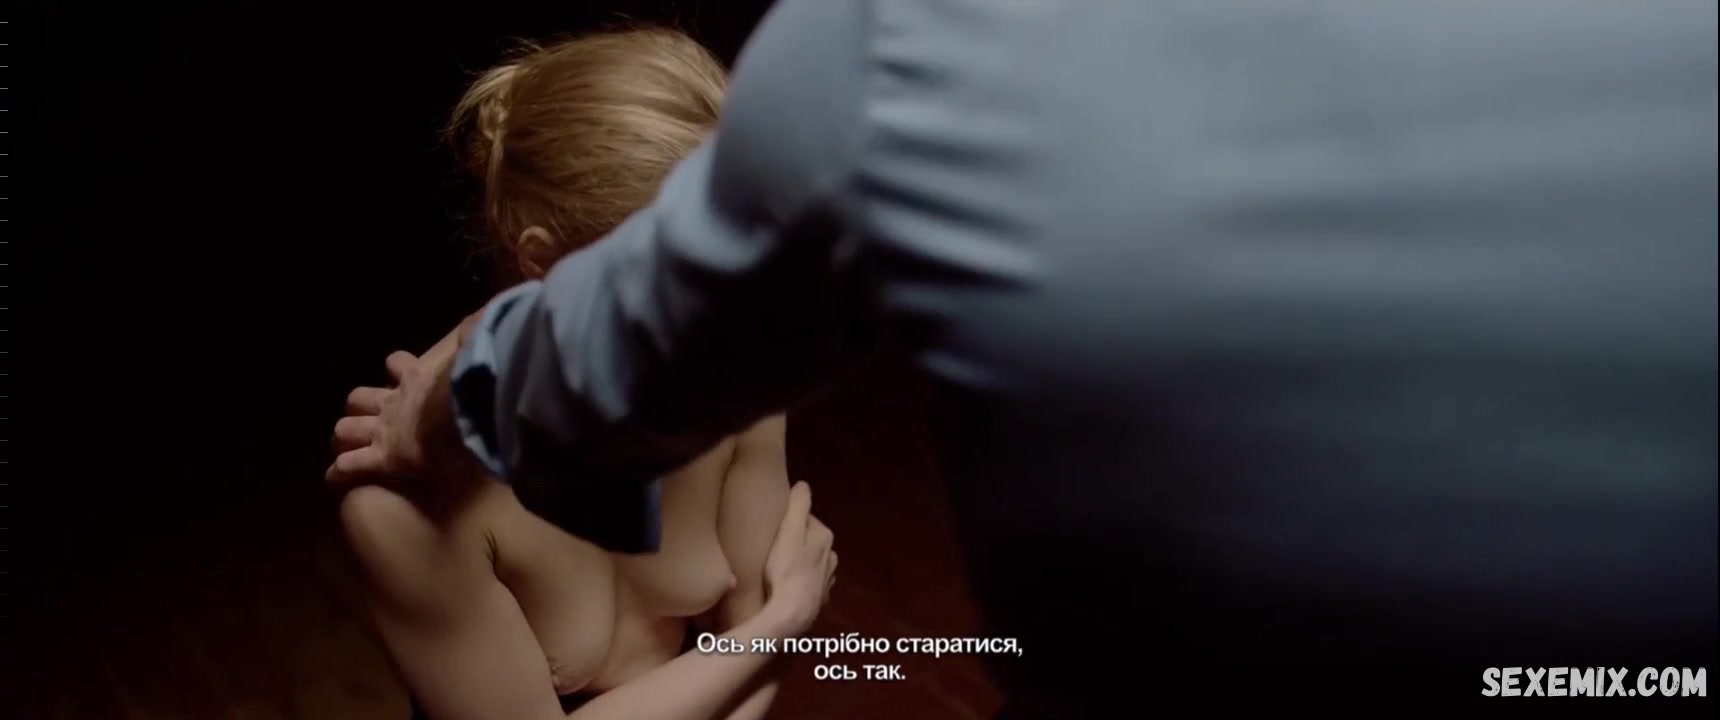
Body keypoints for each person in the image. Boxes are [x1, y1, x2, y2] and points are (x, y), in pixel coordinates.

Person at [332, 1, 1718, 712]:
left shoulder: (917, 51)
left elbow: (654, 342)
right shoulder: (406, 513)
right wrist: (773, 630)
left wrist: (464, 397)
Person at [334, 29, 837, 720]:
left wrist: (759, 640)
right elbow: (763, 640)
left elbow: (754, 680)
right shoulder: (402, 503)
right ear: (545, 262)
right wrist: (782, 622)